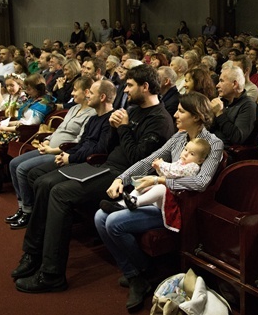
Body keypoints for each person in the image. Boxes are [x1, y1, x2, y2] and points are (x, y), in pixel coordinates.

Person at [11, 65, 174, 294]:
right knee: (43, 183)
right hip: (105, 166)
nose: (125, 91)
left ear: (145, 87)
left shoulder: (161, 120)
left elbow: (136, 157)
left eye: (129, 86)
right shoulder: (134, 111)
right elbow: (111, 146)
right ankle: (33, 253)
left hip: (125, 177)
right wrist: (112, 127)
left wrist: (124, 127)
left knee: (59, 193)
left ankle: (52, 273)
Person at [94, 92, 223, 310]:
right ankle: (135, 275)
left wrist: (161, 179)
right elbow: (147, 161)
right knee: (99, 217)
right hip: (159, 198)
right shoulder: (179, 137)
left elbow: (201, 182)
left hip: (179, 207)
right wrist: (120, 178)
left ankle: (143, 272)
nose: (175, 114)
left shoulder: (213, 144)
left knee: (113, 223)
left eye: (182, 111)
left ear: (197, 117)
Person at [6, 79, 115, 230]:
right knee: (15, 164)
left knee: (27, 171)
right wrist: (47, 140)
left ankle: (32, 212)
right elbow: (63, 131)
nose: (72, 93)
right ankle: (26, 208)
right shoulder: (76, 110)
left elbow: (83, 143)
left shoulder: (96, 116)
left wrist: (64, 154)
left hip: (66, 152)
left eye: (76, 90)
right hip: (59, 149)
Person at [0, 73, 56, 193]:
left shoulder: (44, 103)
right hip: (19, 130)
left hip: (25, 135)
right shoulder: (33, 99)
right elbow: (21, 120)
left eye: (29, 88)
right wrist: (3, 124)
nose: (26, 90)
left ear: (38, 88)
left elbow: (29, 126)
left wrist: (5, 128)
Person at [99, 137, 211, 213]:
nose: (185, 154)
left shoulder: (193, 167)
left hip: (173, 200)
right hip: (162, 197)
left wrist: (162, 164)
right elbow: (166, 174)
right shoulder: (181, 161)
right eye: (185, 149)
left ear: (200, 160)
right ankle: (124, 203)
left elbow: (174, 171)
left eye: (191, 154)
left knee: (160, 188)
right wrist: (158, 168)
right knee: (145, 184)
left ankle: (136, 202)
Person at [210, 66, 258, 145]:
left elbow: (237, 138)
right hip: (210, 143)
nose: (217, 85)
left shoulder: (248, 105)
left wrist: (219, 114)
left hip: (227, 152)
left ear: (235, 84)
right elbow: (209, 129)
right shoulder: (222, 101)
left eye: (221, 81)